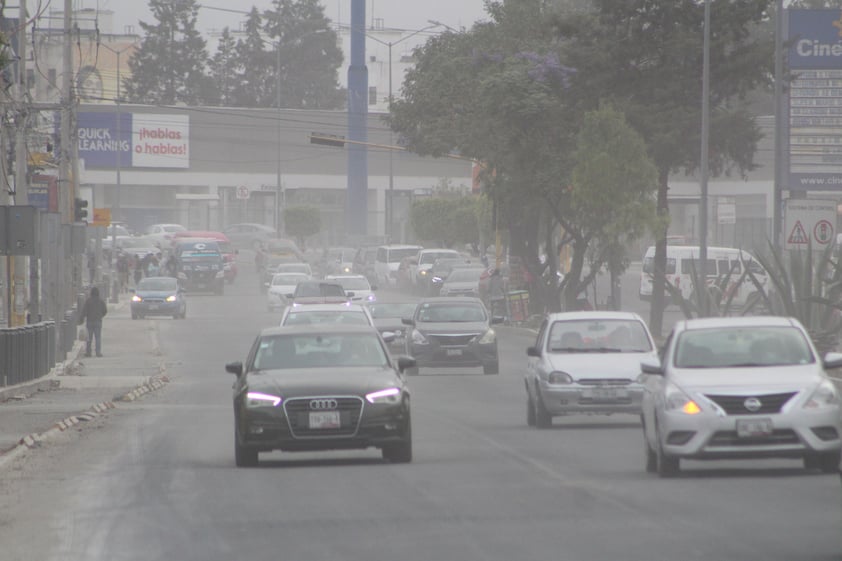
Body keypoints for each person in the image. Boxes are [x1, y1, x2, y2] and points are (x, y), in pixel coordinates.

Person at [79, 286, 107, 357]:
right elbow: (105, 310)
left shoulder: (88, 301)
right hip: (98, 321)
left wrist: (81, 318)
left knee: (89, 338)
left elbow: (84, 311)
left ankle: (88, 352)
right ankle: (98, 352)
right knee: (98, 337)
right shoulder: (100, 301)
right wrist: (101, 315)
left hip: (90, 321)